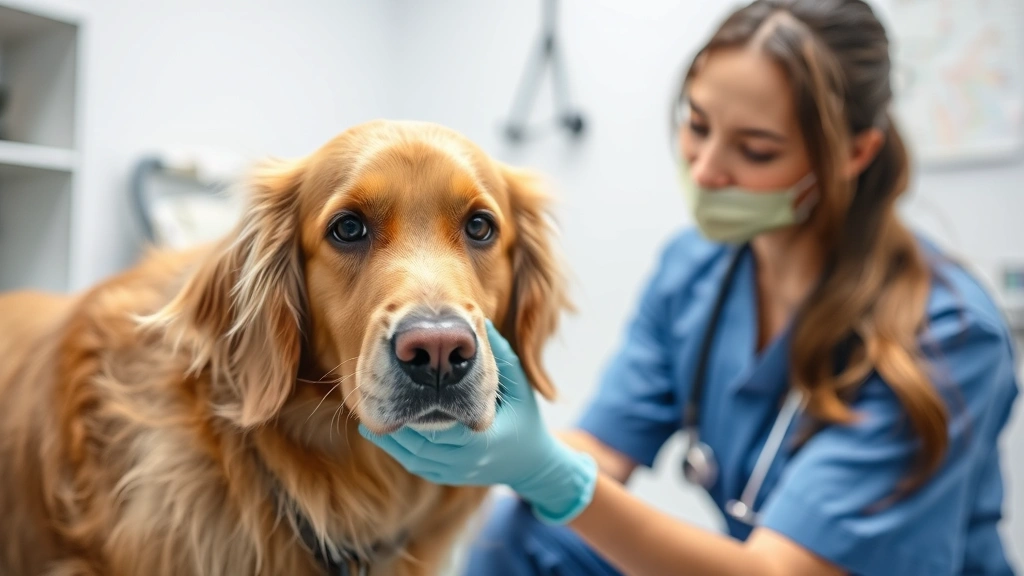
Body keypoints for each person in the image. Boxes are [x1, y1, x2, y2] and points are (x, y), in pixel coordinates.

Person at [360, 0, 1021, 574]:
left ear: (854, 153)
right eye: (697, 125)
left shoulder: (949, 336)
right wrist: (494, 448)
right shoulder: (696, 270)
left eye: (756, 150)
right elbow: (600, 452)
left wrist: (547, 473)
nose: (705, 171)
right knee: (524, 534)